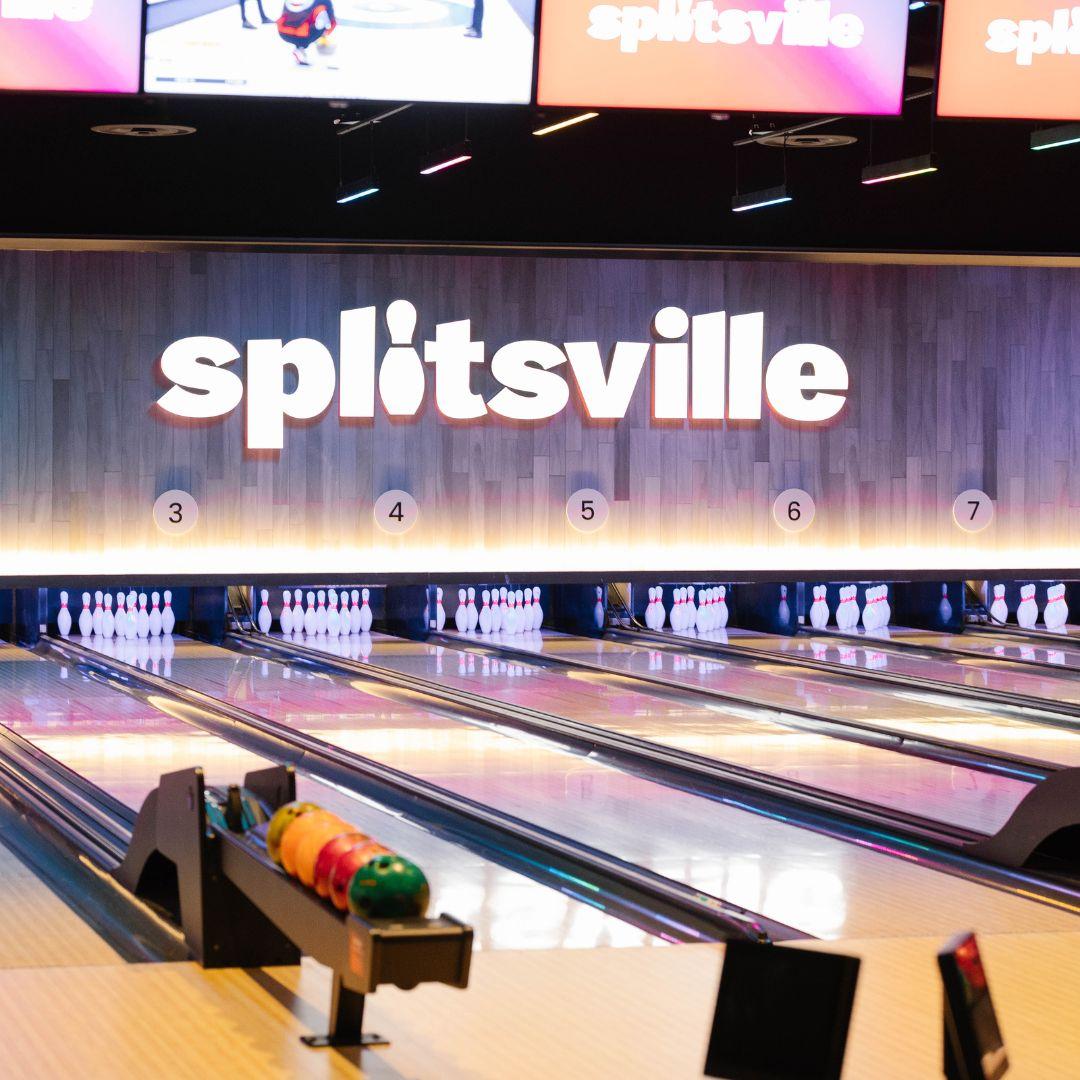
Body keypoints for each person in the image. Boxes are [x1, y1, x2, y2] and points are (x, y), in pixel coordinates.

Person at [277, 0, 337, 65]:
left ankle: (300, 50)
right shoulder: (324, 1)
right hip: (303, 33)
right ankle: (300, 49)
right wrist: (325, 33)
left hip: (283, 31)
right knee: (320, 25)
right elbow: (324, 21)